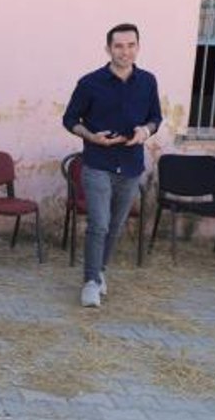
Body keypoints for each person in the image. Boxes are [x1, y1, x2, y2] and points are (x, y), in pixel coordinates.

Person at [62, 23, 161, 309]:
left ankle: (100, 270)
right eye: (119, 46)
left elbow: (156, 118)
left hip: (130, 166)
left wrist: (146, 131)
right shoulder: (90, 82)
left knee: (115, 226)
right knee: (99, 224)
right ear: (108, 49)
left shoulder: (148, 81)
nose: (125, 51)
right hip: (97, 163)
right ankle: (91, 282)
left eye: (131, 45)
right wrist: (92, 136)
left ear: (138, 47)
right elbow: (70, 120)